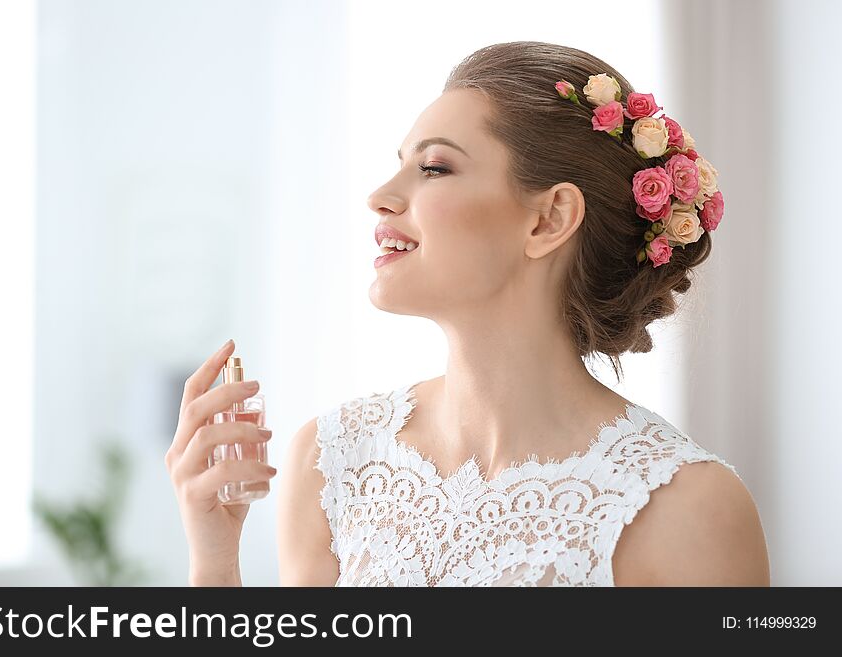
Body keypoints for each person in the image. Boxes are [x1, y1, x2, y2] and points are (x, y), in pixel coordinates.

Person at [167, 41, 770, 587]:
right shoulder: (332, 462)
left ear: (548, 219)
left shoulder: (689, 507)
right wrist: (215, 562)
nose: (379, 195)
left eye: (433, 167)